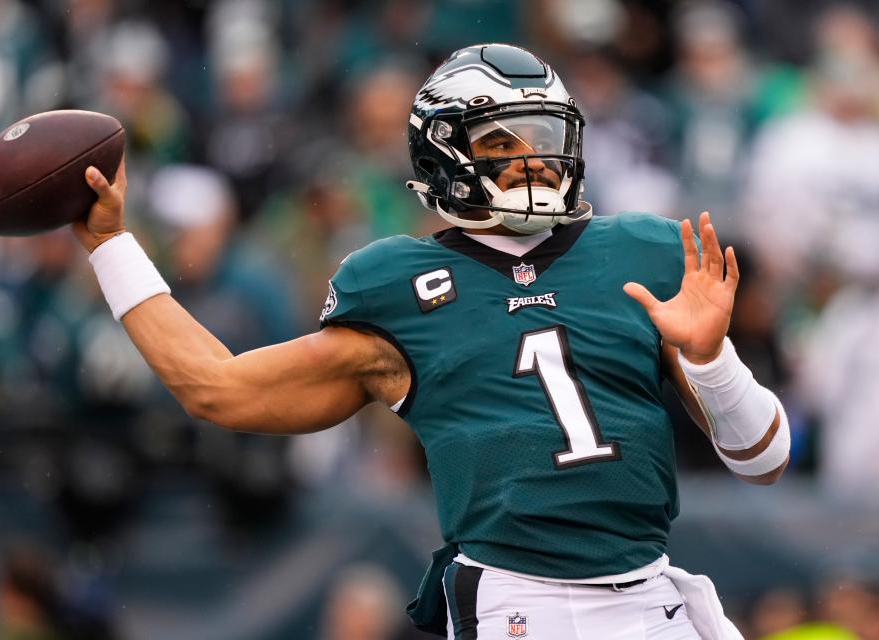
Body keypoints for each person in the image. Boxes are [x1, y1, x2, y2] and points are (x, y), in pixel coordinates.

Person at [72, 44, 790, 640]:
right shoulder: (399, 285)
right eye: (504, 143)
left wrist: (710, 357)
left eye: (545, 138)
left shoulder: (643, 252)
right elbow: (216, 385)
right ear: (445, 150)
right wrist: (111, 245)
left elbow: (765, 459)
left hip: (652, 601)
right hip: (520, 607)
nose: (534, 162)